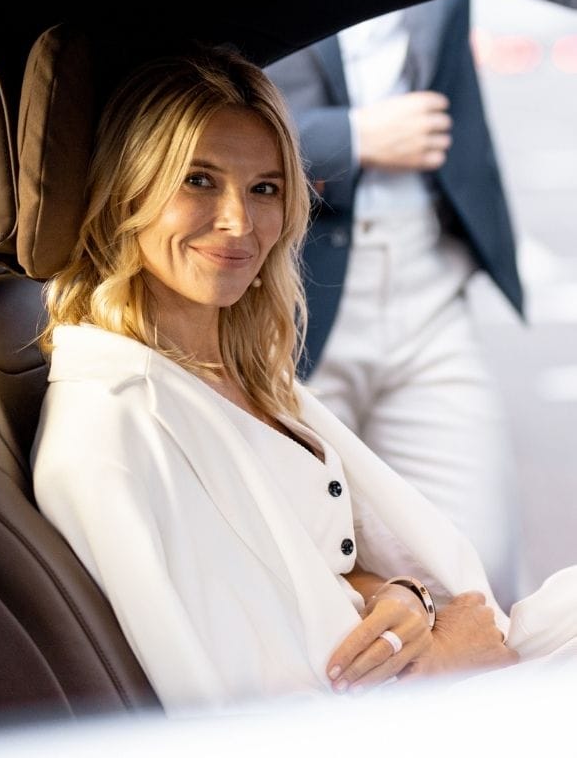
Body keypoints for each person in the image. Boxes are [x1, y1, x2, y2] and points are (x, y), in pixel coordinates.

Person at [31, 45, 577, 712]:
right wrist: (450, 669)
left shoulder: (236, 374)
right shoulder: (117, 427)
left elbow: (313, 565)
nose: (239, 221)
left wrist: (404, 596)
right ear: (125, 192)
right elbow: (248, 712)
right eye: (198, 180)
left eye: (265, 188)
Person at [264, 0, 577, 604]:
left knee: (481, 566)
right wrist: (351, 139)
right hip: (286, 292)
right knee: (312, 571)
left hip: (429, 280)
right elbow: (182, 96)